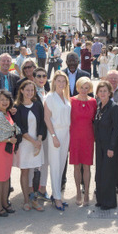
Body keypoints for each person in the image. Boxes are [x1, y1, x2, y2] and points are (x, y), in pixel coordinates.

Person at [13, 81, 46, 212]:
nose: (30, 92)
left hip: (37, 142)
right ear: (21, 90)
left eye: (32, 90)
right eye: (27, 90)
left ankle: (35, 199)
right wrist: (33, 142)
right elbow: (20, 128)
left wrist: (38, 140)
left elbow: (42, 124)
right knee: (25, 171)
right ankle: (26, 200)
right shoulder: (17, 107)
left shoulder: (38, 105)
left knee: (36, 172)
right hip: (25, 145)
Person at [0, 90, 19, 217]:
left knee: (6, 177)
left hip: (7, 149)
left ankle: (5, 202)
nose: (4, 102)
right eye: (2, 100)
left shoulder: (6, 113)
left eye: (7, 99)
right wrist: (9, 138)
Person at [44, 71, 71, 211]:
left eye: (63, 81)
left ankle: (57, 194)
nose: (61, 83)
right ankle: (56, 198)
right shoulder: (50, 97)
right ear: (54, 82)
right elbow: (47, 118)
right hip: (55, 133)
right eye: (58, 81)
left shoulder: (65, 97)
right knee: (55, 166)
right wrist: (54, 136)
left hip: (66, 133)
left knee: (61, 166)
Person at [93, 81, 118, 210]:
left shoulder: (114, 107)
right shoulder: (99, 106)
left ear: (110, 93)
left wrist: (111, 147)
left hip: (110, 145)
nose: (102, 93)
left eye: (105, 91)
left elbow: (116, 129)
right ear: (97, 93)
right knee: (100, 173)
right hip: (99, 145)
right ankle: (101, 199)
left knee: (108, 173)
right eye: (100, 91)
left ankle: (109, 202)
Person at [69, 77, 97, 206]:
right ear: (77, 87)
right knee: (76, 166)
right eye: (82, 87)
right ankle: (78, 193)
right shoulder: (71, 101)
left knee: (87, 166)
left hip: (88, 137)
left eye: (87, 88)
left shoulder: (93, 102)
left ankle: (86, 193)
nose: (84, 90)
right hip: (75, 136)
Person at [30, 67, 51, 201]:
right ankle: (32, 190)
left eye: (44, 76)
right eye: (39, 76)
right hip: (35, 133)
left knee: (45, 162)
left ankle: (43, 188)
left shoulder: (48, 93)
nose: (42, 78)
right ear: (34, 78)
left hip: (47, 132)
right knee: (34, 162)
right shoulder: (30, 94)